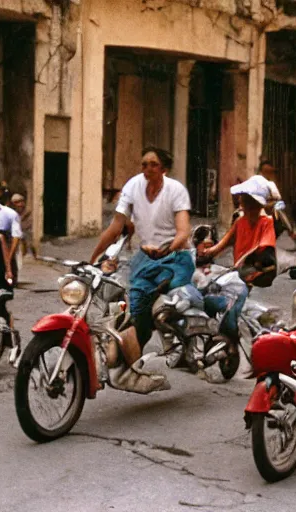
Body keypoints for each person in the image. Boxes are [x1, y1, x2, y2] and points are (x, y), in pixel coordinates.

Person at [88, 147, 192, 394]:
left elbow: (183, 232)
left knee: (165, 303)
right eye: (144, 164)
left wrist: (167, 249)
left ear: (163, 169)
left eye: (153, 165)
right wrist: (94, 257)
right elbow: (116, 226)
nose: (147, 169)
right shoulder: (133, 187)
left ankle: (179, 342)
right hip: (146, 258)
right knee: (136, 309)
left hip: (175, 256)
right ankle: (135, 363)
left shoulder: (176, 190)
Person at [198, 179, 277, 352]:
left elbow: (265, 245)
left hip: (257, 268)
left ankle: (238, 332)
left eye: (244, 199)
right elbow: (225, 242)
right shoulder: (240, 222)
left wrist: (249, 258)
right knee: (212, 287)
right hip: (238, 269)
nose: (241, 202)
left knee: (235, 297)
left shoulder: (267, 222)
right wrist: (207, 253)